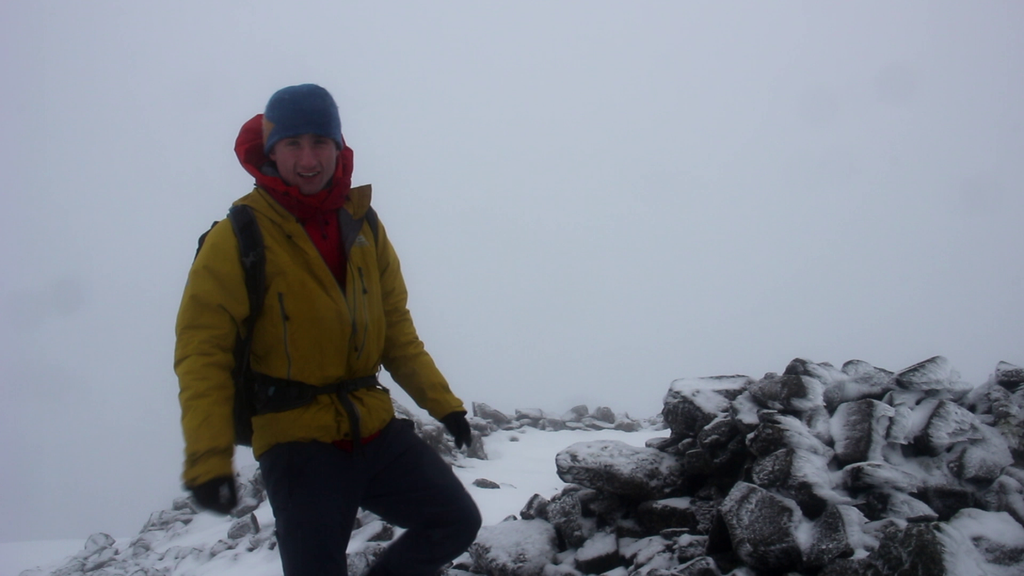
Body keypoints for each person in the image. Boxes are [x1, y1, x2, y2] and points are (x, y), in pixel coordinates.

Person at [175, 83, 481, 576]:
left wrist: (444, 405)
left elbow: (396, 332)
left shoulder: (364, 225)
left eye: (321, 141)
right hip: (296, 443)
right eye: (293, 143)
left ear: (339, 148)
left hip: (375, 429)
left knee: (454, 521)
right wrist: (208, 460)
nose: (309, 157)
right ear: (272, 151)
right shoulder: (239, 235)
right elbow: (202, 352)